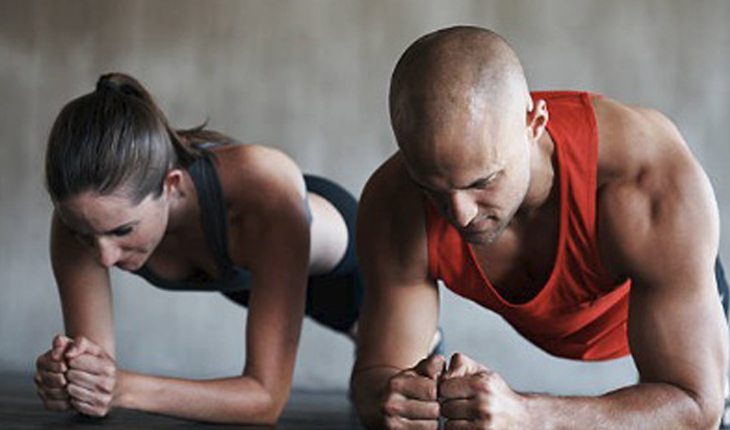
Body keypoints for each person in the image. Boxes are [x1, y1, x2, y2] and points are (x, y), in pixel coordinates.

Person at [350, 25, 730, 429]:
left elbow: (692, 403)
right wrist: (396, 399)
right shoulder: (395, 201)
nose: (460, 215)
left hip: (664, 317)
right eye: (432, 188)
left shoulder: (646, 180)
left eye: (482, 182)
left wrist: (528, 414)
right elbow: (376, 374)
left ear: (534, 123)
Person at [34, 72, 363, 424]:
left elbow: (265, 401)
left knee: (373, 396)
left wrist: (124, 388)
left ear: (171, 185)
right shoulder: (84, 218)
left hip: (355, 272)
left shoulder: (262, 190)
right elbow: (97, 380)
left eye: (123, 231)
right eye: (86, 235)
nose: (104, 256)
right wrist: (71, 378)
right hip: (246, 280)